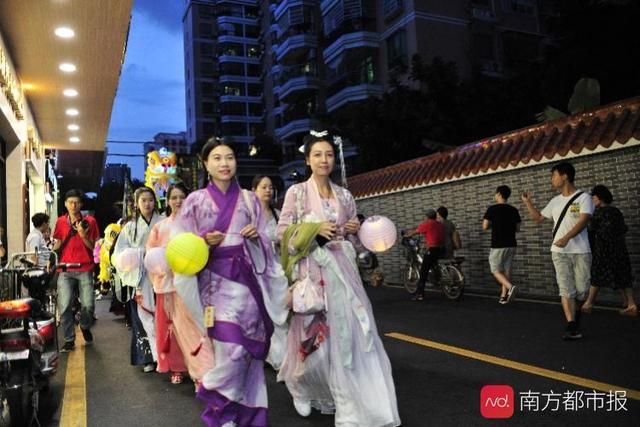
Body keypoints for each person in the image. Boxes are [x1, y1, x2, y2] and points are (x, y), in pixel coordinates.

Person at [276, 130, 400, 426]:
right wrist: (313, 229)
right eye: (317, 154)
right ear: (307, 160)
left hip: (344, 273)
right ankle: (303, 387)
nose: (324, 160)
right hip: (313, 273)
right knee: (313, 339)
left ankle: (354, 406)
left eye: (329, 154)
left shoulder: (345, 194)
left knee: (355, 337)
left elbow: (356, 245)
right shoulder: (297, 193)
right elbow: (280, 235)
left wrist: (356, 230)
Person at [176, 138, 288, 426]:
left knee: (248, 353)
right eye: (217, 158)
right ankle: (218, 404)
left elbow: (267, 238)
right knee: (232, 349)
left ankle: (241, 413)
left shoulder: (251, 199)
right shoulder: (195, 201)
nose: (224, 163)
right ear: (205, 164)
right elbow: (180, 246)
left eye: (229, 157)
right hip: (215, 283)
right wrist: (203, 242)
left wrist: (255, 237)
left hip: (247, 283)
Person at [521, 161, 594, 340]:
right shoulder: (555, 201)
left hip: (581, 251)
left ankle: (575, 313)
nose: (551, 179)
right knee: (565, 288)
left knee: (582, 289)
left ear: (565, 176)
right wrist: (527, 202)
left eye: (554, 175)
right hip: (558, 252)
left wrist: (567, 237)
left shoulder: (584, 198)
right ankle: (571, 324)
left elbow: (584, 220)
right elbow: (538, 218)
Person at [146, 183, 194, 385]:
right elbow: (151, 255)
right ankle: (176, 367)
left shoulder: (196, 224)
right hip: (167, 285)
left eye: (182, 197)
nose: (178, 201)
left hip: (191, 284)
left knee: (194, 327)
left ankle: (196, 366)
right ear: (168, 201)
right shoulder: (160, 227)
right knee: (170, 328)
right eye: (174, 197)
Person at [113, 186, 163, 372]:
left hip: (162, 274)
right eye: (144, 200)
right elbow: (119, 254)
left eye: (151, 200)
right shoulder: (130, 227)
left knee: (165, 315)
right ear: (137, 204)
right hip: (141, 277)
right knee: (143, 317)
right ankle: (149, 358)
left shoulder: (163, 221)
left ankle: (167, 357)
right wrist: (138, 254)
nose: (148, 204)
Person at [52, 189, 100, 352]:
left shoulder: (90, 222)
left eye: (76, 202)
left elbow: (94, 248)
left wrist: (83, 235)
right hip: (64, 269)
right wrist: (50, 257)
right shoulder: (60, 222)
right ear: (65, 204)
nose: (73, 205)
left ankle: (85, 325)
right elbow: (58, 244)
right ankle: (68, 339)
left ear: (81, 204)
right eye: (70, 202)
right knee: (64, 306)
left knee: (88, 305)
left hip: (85, 268)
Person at [581, 185, 637, 317]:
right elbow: (624, 229)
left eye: (594, 198)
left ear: (600, 198)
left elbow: (592, 229)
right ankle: (630, 303)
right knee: (623, 275)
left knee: (597, 275)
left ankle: (588, 304)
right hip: (620, 249)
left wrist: (587, 218)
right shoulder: (616, 211)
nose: (593, 201)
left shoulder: (599, 213)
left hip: (603, 249)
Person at [252, 175, 287, 372]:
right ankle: (262, 351)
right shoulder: (248, 215)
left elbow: (287, 239)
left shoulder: (278, 214)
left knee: (279, 313)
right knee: (259, 315)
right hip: (256, 269)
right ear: (254, 190)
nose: (268, 190)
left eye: (270, 187)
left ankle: (280, 355)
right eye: (263, 187)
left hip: (276, 269)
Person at [482, 186, 521, 304]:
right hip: (511, 244)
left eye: (495, 193)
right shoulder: (514, 210)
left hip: (498, 244)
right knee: (506, 269)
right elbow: (517, 228)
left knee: (495, 270)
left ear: (499, 194)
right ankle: (504, 296)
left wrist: (494, 225)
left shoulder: (492, 209)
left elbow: (484, 226)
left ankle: (510, 287)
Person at [404, 208, 446, 301]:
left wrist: (407, 235)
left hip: (432, 249)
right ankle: (437, 278)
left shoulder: (428, 224)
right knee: (433, 264)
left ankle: (420, 295)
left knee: (423, 272)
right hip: (441, 249)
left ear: (427, 217)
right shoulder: (440, 224)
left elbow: (416, 231)